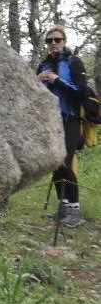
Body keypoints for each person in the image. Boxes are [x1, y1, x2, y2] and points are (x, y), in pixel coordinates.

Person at [37, 26, 88, 228]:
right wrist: (37, 80)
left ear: (64, 41)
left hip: (71, 120)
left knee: (65, 162)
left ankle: (75, 210)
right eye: (49, 40)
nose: (53, 43)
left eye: (57, 39)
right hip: (50, 122)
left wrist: (57, 81)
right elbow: (33, 94)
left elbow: (81, 92)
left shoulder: (73, 62)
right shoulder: (43, 65)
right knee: (55, 164)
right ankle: (63, 207)